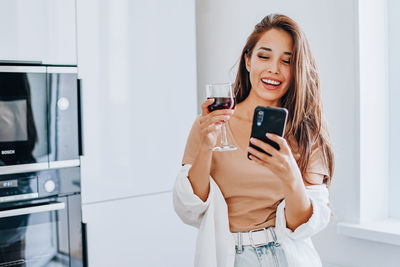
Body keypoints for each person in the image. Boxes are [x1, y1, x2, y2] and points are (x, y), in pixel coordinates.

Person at [173, 13, 334, 267]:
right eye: (264, 56)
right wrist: (207, 145)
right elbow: (189, 209)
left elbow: (305, 227)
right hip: (229, 257)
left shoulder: (306, 133)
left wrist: (290, 174)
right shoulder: (211, 125)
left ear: (296, 70)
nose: (273, 69)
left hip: (285, 257)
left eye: (287, 61)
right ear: (248, 60)